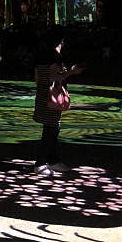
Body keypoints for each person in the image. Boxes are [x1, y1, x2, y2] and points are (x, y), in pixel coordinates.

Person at [32, 27, 83, 175]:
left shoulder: (40, 55)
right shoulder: (55, 57)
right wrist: (72, 71)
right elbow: (55, 77)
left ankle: (53, 160)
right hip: (52, 97)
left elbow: (37, 78)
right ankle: (40, 163)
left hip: (42, 94)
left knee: (51, 128)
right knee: (51, 130)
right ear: (60, 40)